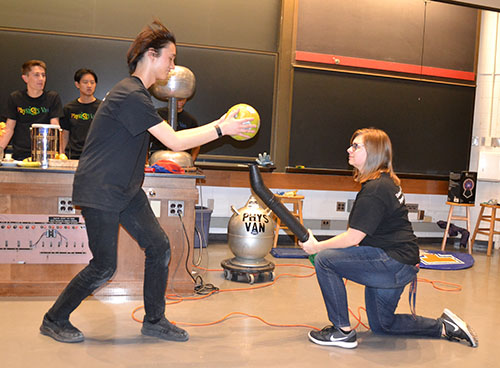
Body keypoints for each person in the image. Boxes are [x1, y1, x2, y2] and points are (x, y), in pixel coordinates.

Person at [39, 19, 255, 344]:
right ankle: (53, 319)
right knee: (103, 267)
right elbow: (175, 141)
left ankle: (154, 320)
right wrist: (223, 129)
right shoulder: (130, 94)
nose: (173, 65)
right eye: (171, 58)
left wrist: (219, 122)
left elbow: (175, 136)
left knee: (158, 246)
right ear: (151, 55)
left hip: (125, 190)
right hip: (101, 189)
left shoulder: (136, 95)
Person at [299, 128, 478, 349]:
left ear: (373, 152)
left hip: (392, 263)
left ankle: (341, 331)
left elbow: (353, 238)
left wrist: (316, 247)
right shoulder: (383, 182)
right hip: (399, 262)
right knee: (383, 325)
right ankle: (444, 327)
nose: (349, 149)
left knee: (325, 259)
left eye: (356, 146)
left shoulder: (375, 189)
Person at [0, 60, 63, 161]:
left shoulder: (52, 97)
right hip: (20, 155)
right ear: (25, 78)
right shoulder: (15, 97)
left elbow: (55, 127)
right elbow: (9, 128)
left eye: (43, 75)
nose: (41, 79)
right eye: (36, 75)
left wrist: (60, 154)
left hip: (45, 155)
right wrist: (1, 149)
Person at [60, 68, 101, 159]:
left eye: (92, 82)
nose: (89, 85)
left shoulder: (102, 108)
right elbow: (65, 135)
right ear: (77, 84)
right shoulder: (69, 108)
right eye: (85, 82)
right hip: (73, 156)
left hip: (95, 156)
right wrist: (61, 154)